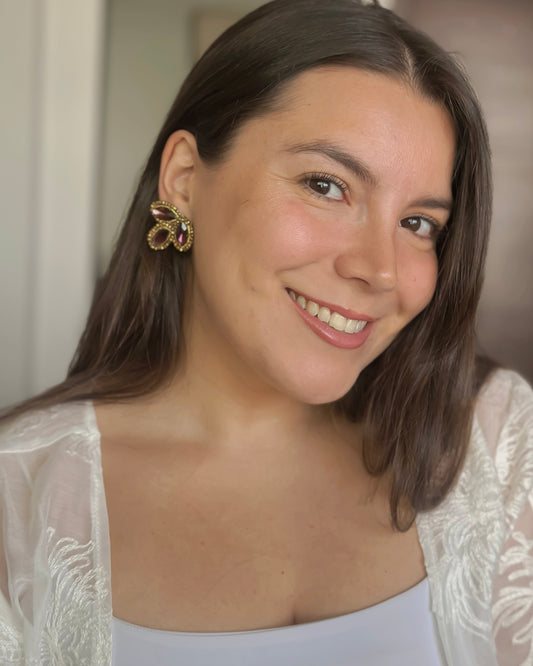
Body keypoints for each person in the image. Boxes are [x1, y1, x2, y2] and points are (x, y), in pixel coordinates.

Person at [1, 0, 532, 663]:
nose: (379, 269)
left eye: (418, 223)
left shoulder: (495, 444)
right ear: (184, 181)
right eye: (326, 185)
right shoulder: (21, 494)